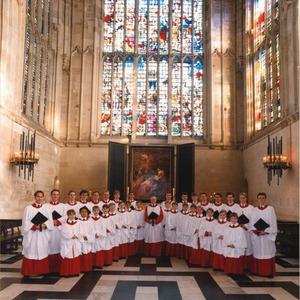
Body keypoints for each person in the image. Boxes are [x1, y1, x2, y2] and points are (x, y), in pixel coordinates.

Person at [21, 190, 53, 277]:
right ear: (35, 197)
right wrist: (34, 226)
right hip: (32, 234)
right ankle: (28, 272)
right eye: (38, 196)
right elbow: (25, 222)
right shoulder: (28, 208)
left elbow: (50, 222)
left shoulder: (46, 209)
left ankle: (42, 270)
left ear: (43, 198)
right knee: (31, 250)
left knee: (42, 250)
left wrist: (44, 225)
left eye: (41, 196)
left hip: (42, 234)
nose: (40, 198)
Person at [250, 193, 277, 278]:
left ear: (265, 199)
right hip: (258, 235)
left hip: (267, 236)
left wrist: (266, 231)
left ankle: (268, 272)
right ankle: (256, 270)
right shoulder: (254, 210)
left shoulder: (270, 209)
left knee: (267, 251)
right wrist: (257, 231)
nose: (261, 199)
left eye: (263, 198)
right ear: (257, 199)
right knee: (257, 251)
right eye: (259, 198)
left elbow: (273, 222)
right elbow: (252, 223)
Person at [44, 189, 65, 273]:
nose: (55, 196)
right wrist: (50, 222)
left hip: (59, 229)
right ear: (51, 195)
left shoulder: (63, 206)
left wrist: (57, 221)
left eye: (57, 194)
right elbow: (43, 216)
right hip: (50, 230)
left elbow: (66, 216)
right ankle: (49, 268)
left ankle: (58, 268)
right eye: (54, 194)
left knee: (58, 246)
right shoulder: (45, 206)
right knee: (50, 246)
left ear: (59, 196)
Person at [60, 209, 83, 277]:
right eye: (70, 214)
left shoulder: (78, 223)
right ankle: (66, 273)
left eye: (73, 214)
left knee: (75, 256)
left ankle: (75, 272)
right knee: (67, 256)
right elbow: (63, 234)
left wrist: (76, 235)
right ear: (68, 216)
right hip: (67, 243)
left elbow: (81, 232)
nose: (72, 216)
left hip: (75, 242)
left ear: (75, 215)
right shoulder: (64, 225)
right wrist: (72, 236)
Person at [236, 192, 254, 271]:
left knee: (248, 246)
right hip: (238, 231)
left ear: (246, 199)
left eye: (244, 198)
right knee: (239, 245)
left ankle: (248, 266)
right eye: (241, 198)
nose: (242, 199)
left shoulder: (251, 208)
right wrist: (237, 225)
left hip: (247, 231)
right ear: (239, 199)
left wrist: (246, 226)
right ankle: (240, 265)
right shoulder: (236, 208)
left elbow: (253, 220)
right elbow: (233, 218)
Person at [78, 207, 95, 273]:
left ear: (87, 213)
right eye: (82, 212)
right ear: (79, 213)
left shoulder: (90, 222)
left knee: (87, 253)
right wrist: (81, 237)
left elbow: (92, 232)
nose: (84, 213)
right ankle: (80, 268)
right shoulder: (77, 221)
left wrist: (87, 237)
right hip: (80, 241)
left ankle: (87, 268)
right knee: (80, 253)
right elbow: (76, 231)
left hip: (87, 240)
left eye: (85, 212)